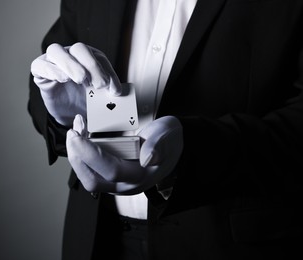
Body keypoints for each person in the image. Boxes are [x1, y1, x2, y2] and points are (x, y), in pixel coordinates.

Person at [28, 0, 303, 259]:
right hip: (96, 236)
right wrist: (63, 113)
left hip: (231, 242)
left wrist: (191, 150)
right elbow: (48, 72)